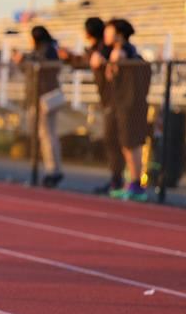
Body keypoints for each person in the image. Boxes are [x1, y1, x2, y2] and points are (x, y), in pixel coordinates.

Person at [60, 17, 122, 193]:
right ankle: (117, 180)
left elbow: (92, 60)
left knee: (115, 140)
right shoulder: (99, 49)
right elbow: (86, 61)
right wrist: (70, 57)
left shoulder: (107, 49)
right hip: (109, 99)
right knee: (113, 140)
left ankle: (119, 181)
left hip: (115, 99)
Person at [104, 18, 151, 202]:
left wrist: (116, 62)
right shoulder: (115, 52)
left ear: (119, 34)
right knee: (124, 143)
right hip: (121, 104)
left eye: (109, 31)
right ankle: (130, 182)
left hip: (130, 104)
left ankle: (136, 184)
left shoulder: (127, 52)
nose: (106, 35)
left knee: (131, 143)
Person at [14, 25, 64, 188]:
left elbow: (40, 68)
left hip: (44, 98)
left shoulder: (48, 51)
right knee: (47, 135)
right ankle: (52, 169)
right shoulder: (42, 51)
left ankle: (52, 170)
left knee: (47, 135)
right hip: (40, 98)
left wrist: (26, 60)